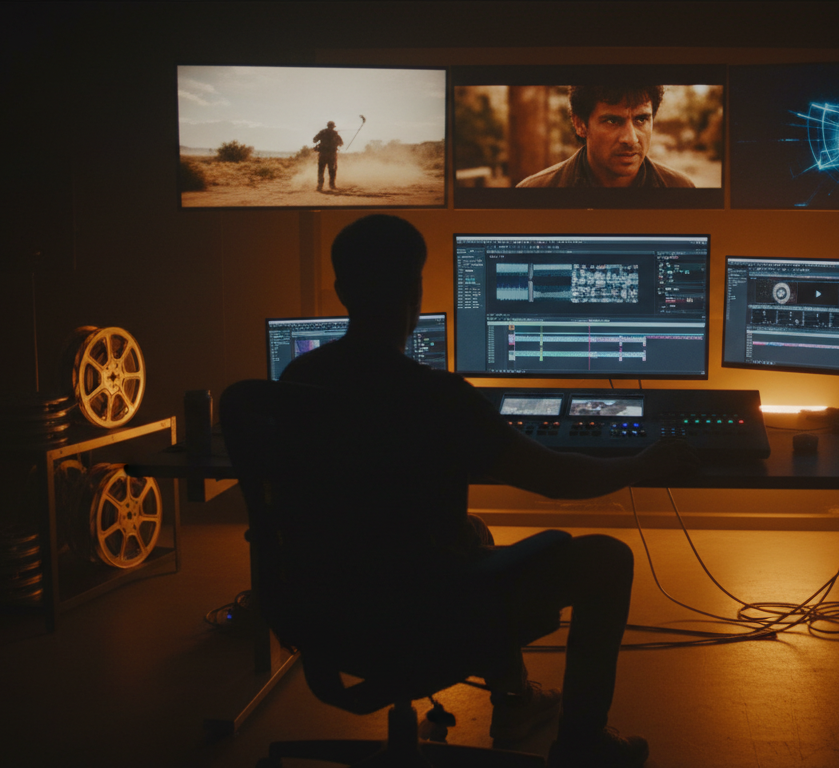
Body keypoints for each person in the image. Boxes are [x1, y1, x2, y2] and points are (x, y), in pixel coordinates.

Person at [280, 214, 698, 768]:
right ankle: (582, 745)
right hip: (421, 610)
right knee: (607, 558)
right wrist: (640, 465)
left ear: (341, 290)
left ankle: (516, 700)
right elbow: (556, 478)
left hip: (320, 603)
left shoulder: (294, 383)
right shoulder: (438, 397)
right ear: (416, 290)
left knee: (473, 530)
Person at [516, 85, 695, 189]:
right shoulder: (535, 191)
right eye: (612, 121)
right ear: (580, 124)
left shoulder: (680, 189)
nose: (631, 139)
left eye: (641, 119)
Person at [313, 120, 344, 191]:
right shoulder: (335, 134)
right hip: (332, 155)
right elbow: (341, 143)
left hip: (322, 154)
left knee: (321, 170)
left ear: (327, 126)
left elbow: (314, 140)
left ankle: (320, 186)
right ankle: (332, 185)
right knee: (332, 170)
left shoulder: (322, 132)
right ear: (333, 127)